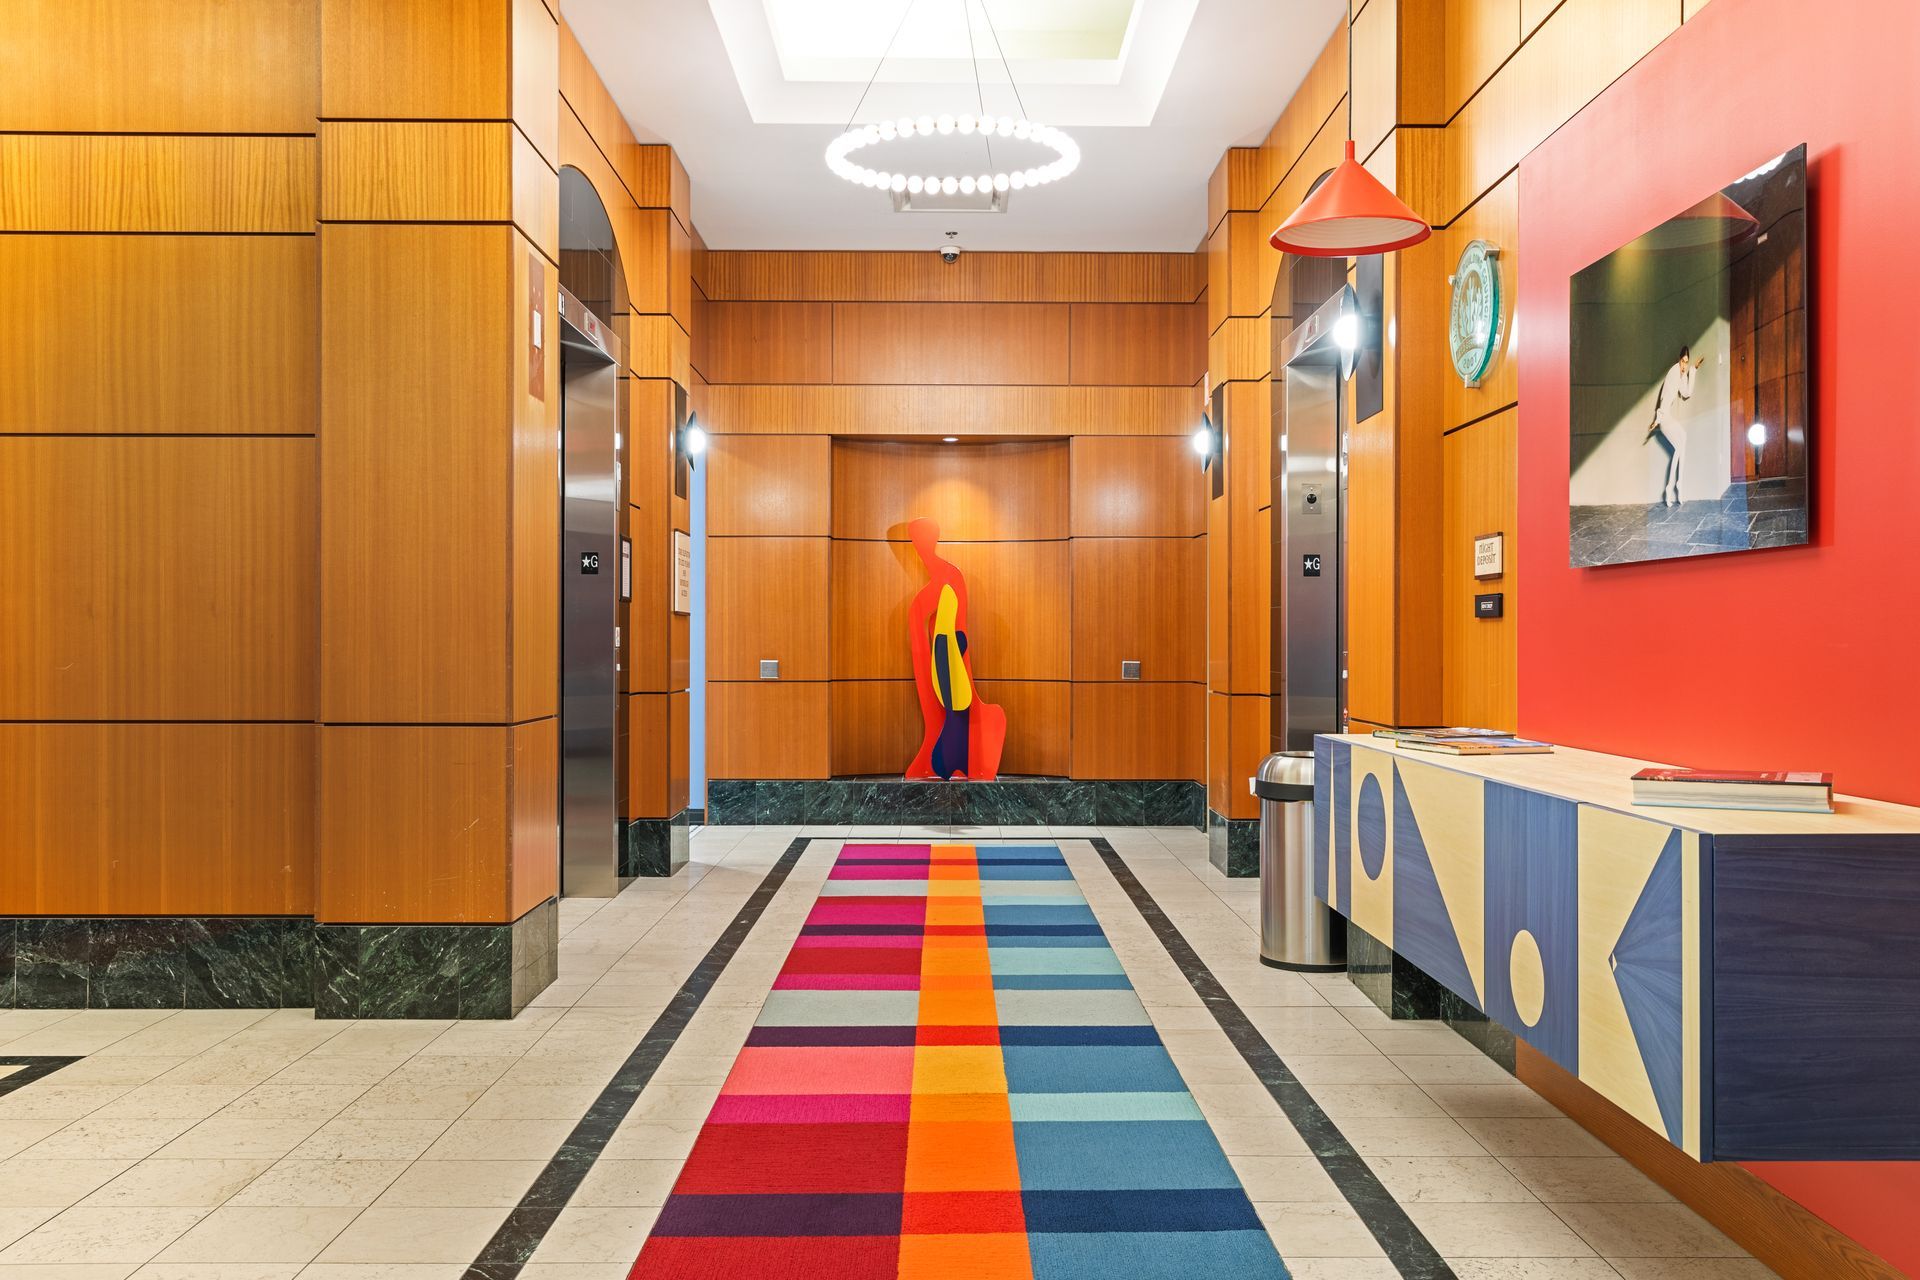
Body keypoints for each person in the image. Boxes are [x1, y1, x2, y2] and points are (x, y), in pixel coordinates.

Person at [1644, 344, 1706, 507]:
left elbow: (1686, 393)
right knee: (1679, 448)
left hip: (1668, 417)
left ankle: (1677, 485)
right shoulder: (1673, 373)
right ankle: (1671, 487)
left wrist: (1693, 370)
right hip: (1664, 418)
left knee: (1683, 440)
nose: (1684, 365)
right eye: (1683, 361)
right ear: (1679, 360)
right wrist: (1656, 420)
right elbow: (1664, 399)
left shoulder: (1682, 374)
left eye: (1687, 362)